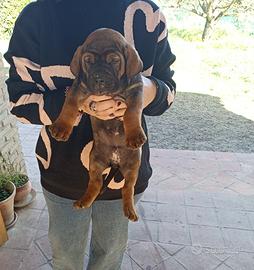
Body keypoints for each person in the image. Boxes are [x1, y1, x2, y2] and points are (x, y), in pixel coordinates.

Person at [4, 0, 176, 269]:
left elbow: (168, 91)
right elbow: (19, 101)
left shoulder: (146, 14)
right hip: (62, 173)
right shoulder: (37, 15)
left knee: (109, 257)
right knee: (65, 258)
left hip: (124, 174)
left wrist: (142, 89)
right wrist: (77, 104)